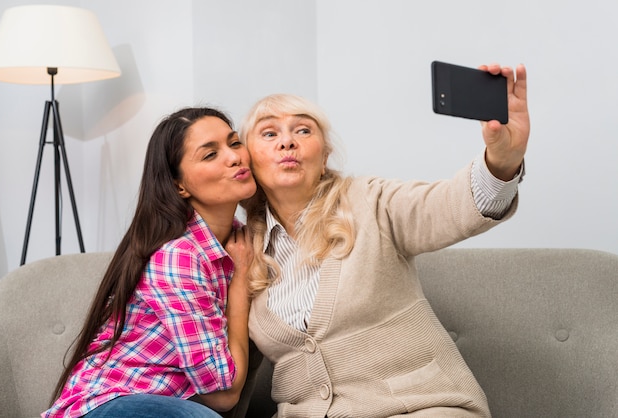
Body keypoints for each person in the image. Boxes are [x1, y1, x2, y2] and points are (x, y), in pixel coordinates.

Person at [239, 63, 529, 417]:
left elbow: (451, 207)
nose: (288, 141)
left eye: (303, 130)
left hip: (421, 407)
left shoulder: (371, 201)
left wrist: (502, 161)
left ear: (325, 155)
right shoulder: (244, 253)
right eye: (269, 134)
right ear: (247, 160)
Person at [43, 107, 257, 418]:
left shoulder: (241, 241)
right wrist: (240, 285)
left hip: (164, 405)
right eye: (210, 155)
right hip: (108, 404)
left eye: (234, 142)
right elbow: (222, 396)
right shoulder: (179, 256)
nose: (234, 157)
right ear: (179, 185)